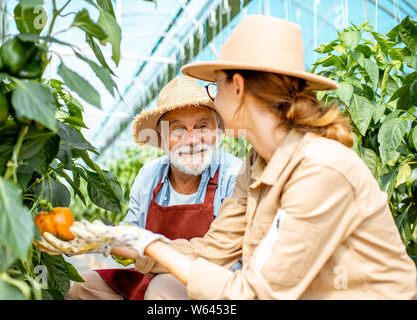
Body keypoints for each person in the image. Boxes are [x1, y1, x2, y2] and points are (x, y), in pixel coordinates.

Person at [36, 15, 416, 299]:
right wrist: (120, 239)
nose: (212, 96)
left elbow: (256, 294)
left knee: (166, 294)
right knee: (161, 291)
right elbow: (212, 249)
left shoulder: (320, 169)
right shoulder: (257, 164)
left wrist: (148, 245)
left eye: (214, 84)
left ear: (237, 87)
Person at [64, 76, 242, 300]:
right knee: (82, 285)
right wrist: (108, 238)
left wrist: (147, 252)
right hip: (149, 274)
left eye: (202, 127)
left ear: (216, 130)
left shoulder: (232, 175)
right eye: (178, 131)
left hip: (206, 281)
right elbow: (132, 230)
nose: (192, 140)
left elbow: (223, 255)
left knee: (162, 288)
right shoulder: (149, 175)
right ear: (161, 138)